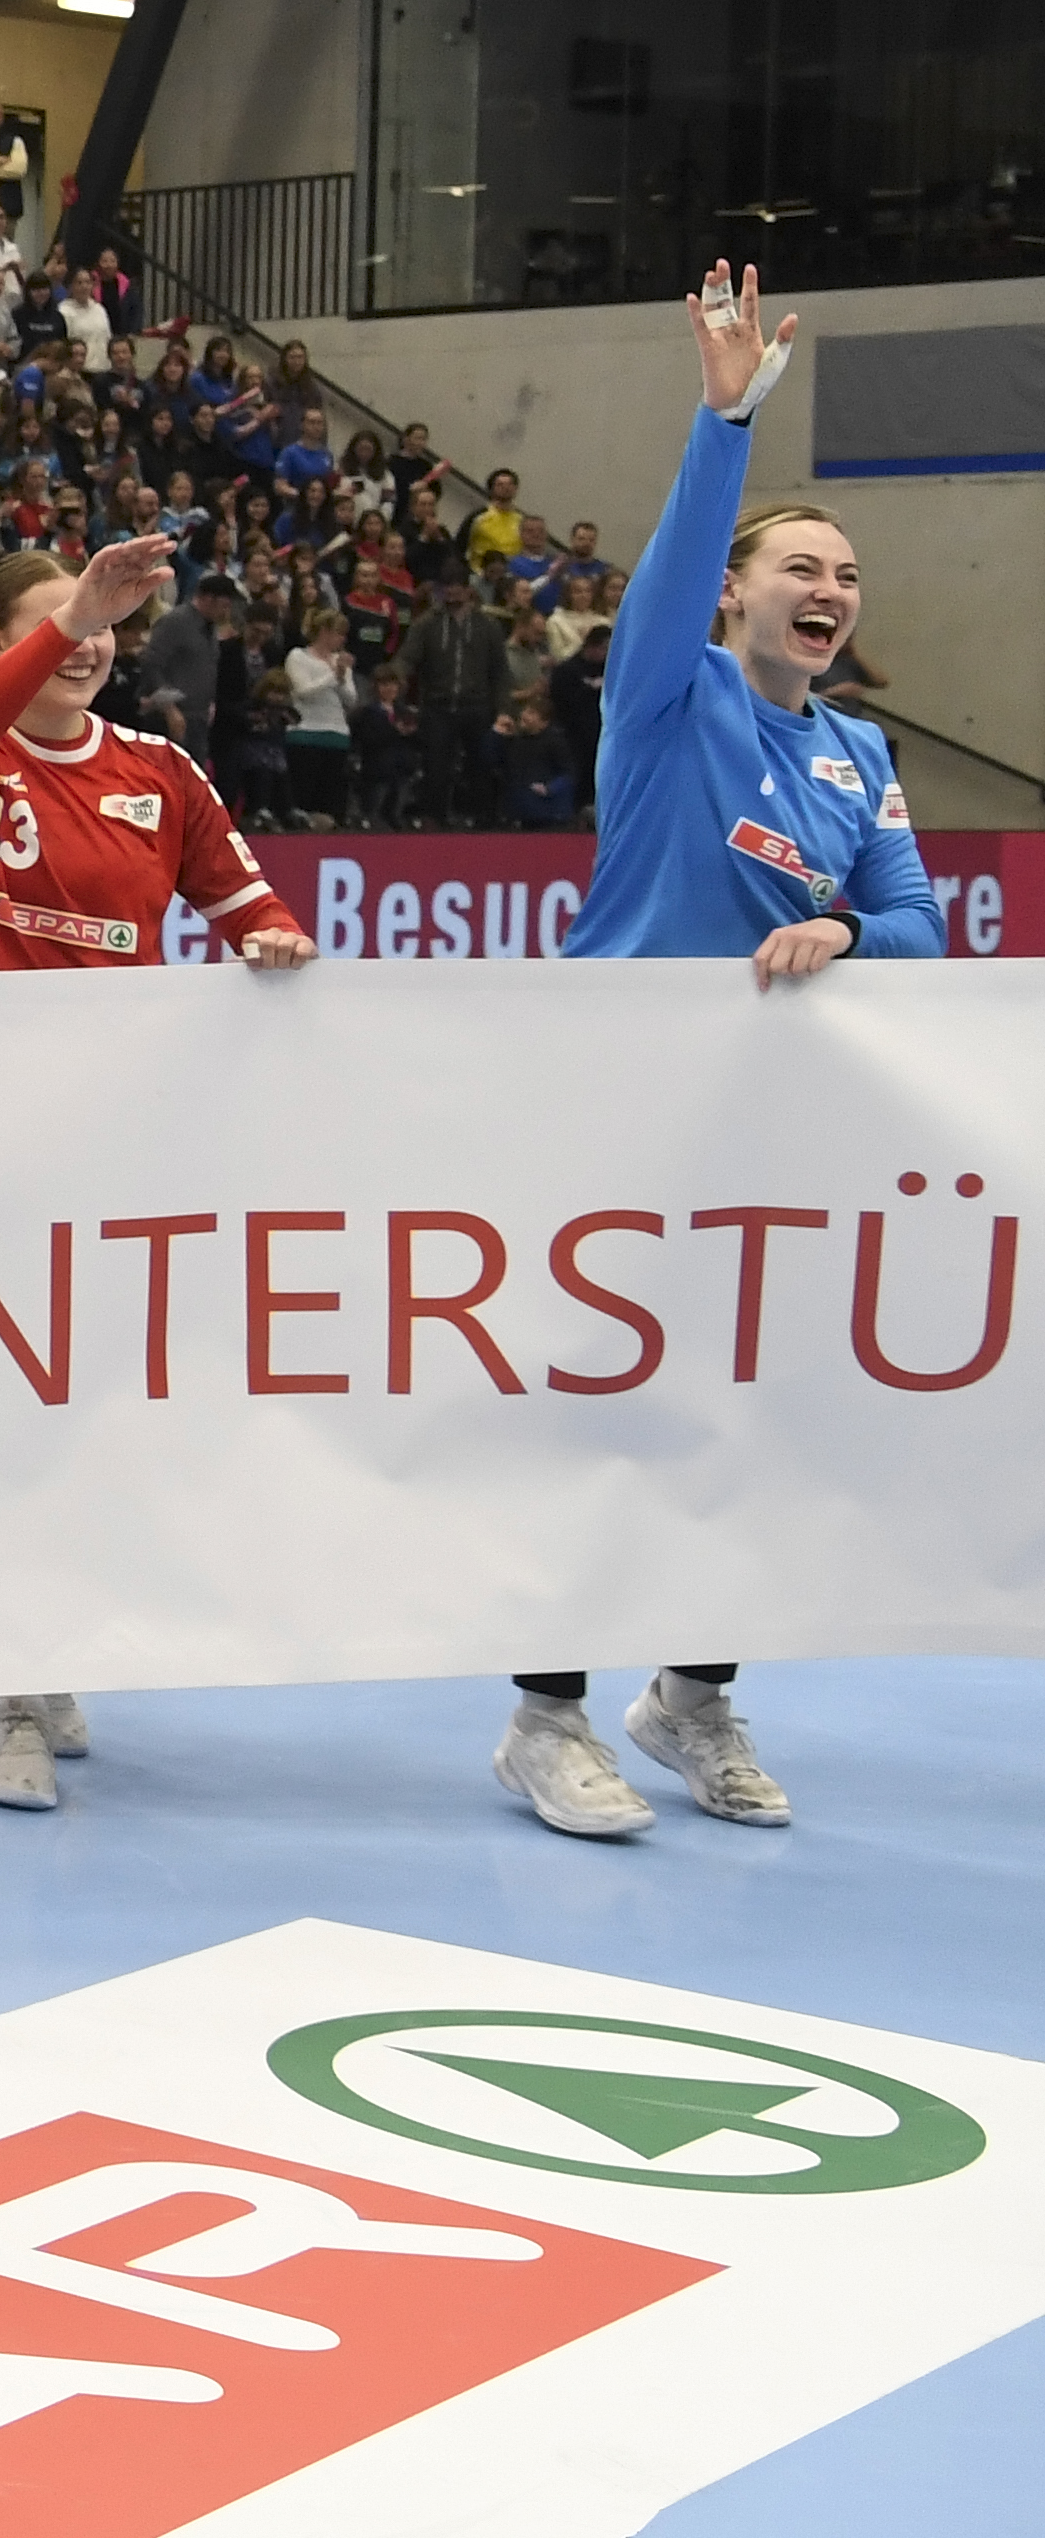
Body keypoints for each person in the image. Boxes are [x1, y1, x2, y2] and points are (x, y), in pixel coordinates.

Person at [501, 269, 937, 1841]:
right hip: (614, 1107)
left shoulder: (860, 752)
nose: (833, 588)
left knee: (748, 1414)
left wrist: (848, 937)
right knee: (597, 1410)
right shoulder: (668, 697)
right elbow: (684, 545)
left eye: (851, 576)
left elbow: (917, 924)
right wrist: (725, 418)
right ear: (736, 594)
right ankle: (543, 1721)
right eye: (801, 567)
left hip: (767, 1122)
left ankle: (690, 1696)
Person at [0, 531, 311, 1813]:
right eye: (64, 624)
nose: (94, 640)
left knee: (87, 1415)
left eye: (114, 622)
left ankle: (47, 1639)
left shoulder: (161, 771)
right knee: (3, 1410)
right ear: (5, 646)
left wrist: (276, 946)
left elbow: (251, 910)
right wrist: (69, 610)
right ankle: (10, 1687)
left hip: (117, 1148)